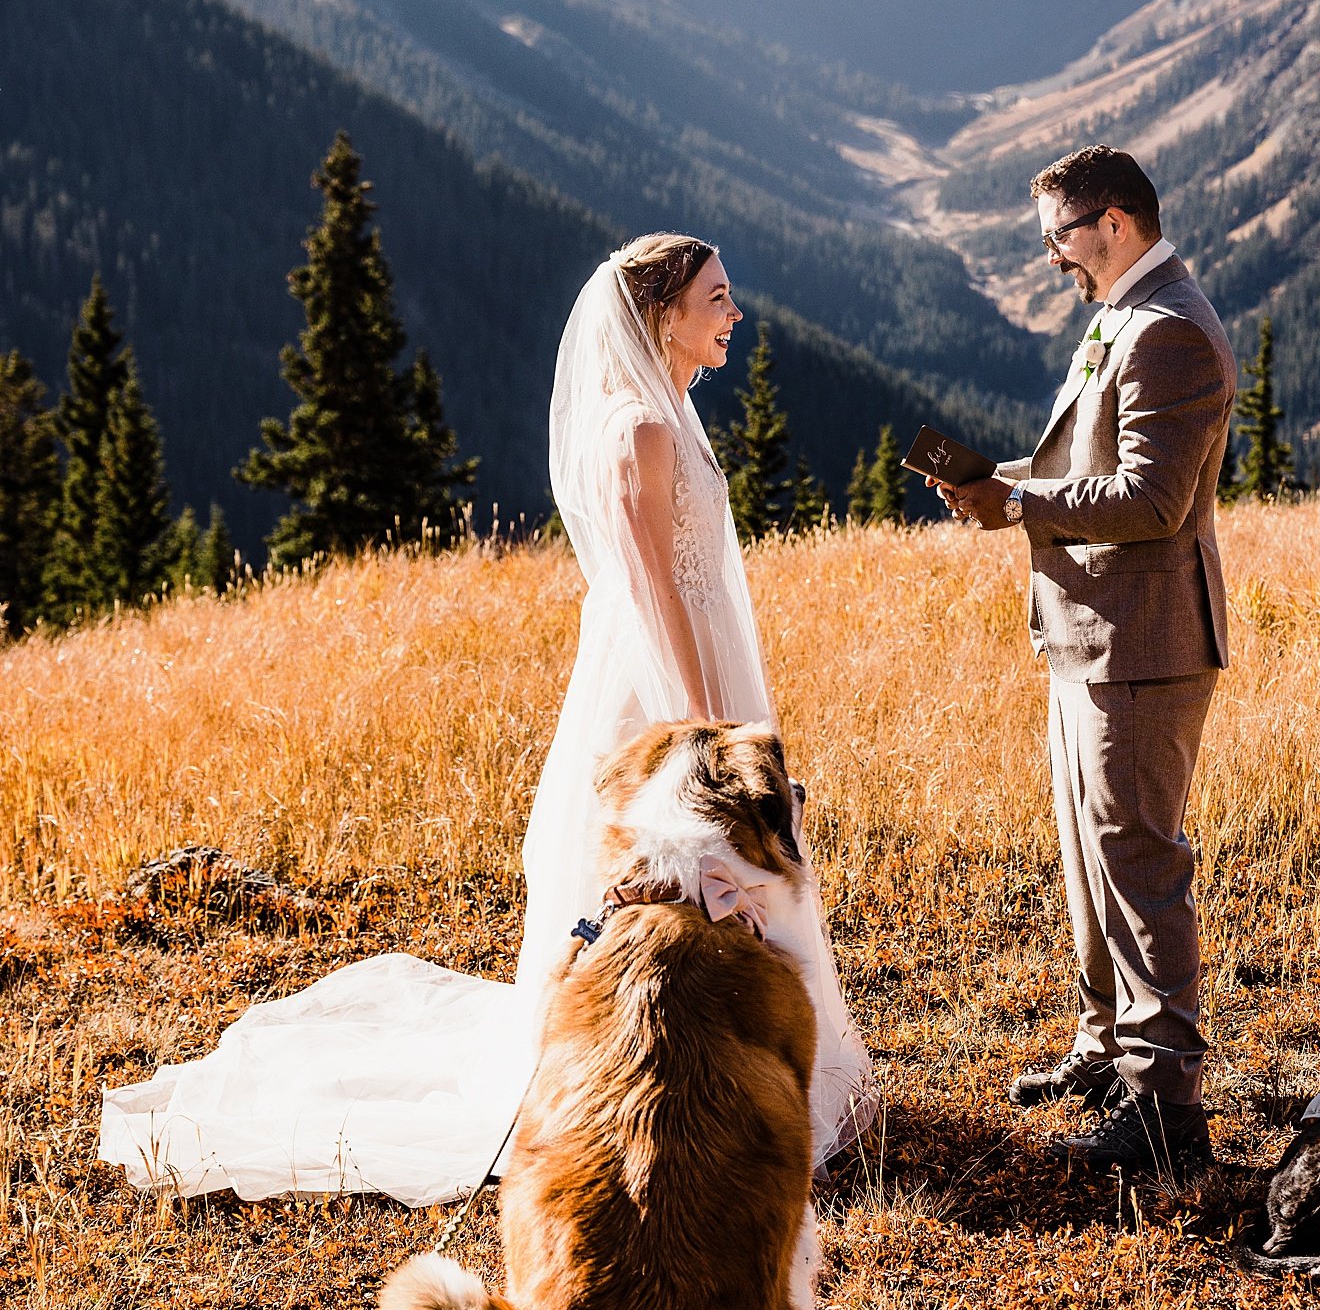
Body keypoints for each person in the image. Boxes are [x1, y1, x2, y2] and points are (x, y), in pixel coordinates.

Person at [98, 235, 875, 1205]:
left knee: (703, 878)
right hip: (663, 677)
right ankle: (655, 1083)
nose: (735, 315)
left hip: (696, 657)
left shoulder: (670, 410)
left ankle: (718, 1067)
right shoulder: (640, 428)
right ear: (664, 313)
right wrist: (702, 730)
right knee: (665, 869)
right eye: (718, 299)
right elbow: (650, 596)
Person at [936, 146, 1236, 1177]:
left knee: (1142, 866)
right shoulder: (1122, 317)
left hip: (1144, 645)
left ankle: (1168, 1109)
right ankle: (1105, 1050)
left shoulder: (1170, 334)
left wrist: (1019, 504)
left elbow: (1153, 500)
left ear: (1113, 224)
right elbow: (1087, 468)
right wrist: (1003, 480)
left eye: (1059, 238)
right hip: (1090, 638)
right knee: (1089, 861)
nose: (1051, 259)